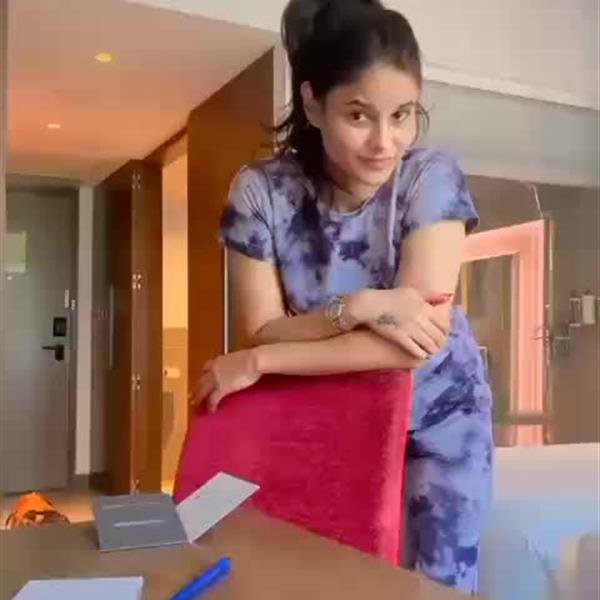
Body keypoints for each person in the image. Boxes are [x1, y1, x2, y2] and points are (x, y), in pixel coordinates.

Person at [194, 0, 493, 593]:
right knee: (329, 580)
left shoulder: (430, 178)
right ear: (312, 104)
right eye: (359, 115)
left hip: (441, 418)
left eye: (403, 115)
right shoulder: (261, 193)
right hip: (336, 415)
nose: (385, 142)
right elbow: (262, 324)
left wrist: (262, 360)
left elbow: (413, 346)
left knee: (439, 588)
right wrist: (362, 307)